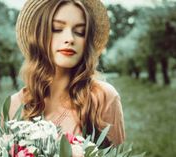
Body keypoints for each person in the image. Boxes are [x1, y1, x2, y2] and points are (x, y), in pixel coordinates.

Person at [8, 0, 125, 147]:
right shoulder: (15, 105)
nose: (70, 39)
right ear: (39, 37)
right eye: (57, 28)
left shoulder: (103, 97)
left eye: (80, 32)